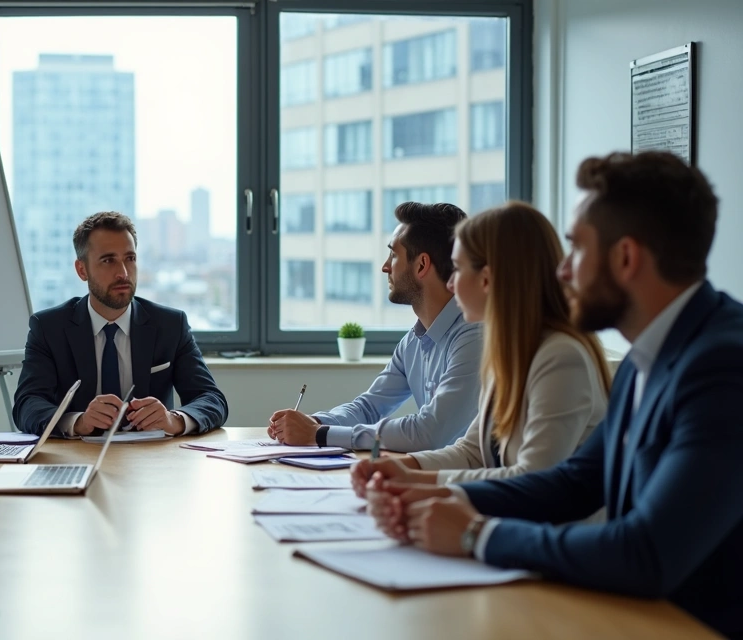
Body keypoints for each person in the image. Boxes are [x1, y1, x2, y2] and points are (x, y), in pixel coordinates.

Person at [367, 151, 743, 638]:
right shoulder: (645, 358)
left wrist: (475, 533)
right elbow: (572, 482)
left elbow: (648, 553)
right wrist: (435, 495)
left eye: (577, 250)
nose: (562, 273)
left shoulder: (722, 365)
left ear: (625, 257)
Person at [350, 203, 610, 493]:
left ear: (487, 280)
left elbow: (533, 479)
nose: (449, 282)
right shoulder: (509, 351)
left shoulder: (561, 357)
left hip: (551, 531)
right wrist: (403, 469)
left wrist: (420, 484)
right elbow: (472, 453)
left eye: (457, 269)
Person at [267, 202, 482, 452]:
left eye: (394, 254)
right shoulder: (414, 341)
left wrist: (320, 434)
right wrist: (314, 423)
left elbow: (428, 433)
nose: (385, 266)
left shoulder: (474, 337)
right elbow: (369, 407)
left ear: (422, 265)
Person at [13, 211, 227, 437]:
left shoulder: (170, 325)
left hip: (153, 460)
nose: (123, 273)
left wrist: (174, 420)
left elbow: (212, 399)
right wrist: (78, 422)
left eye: (130, 258)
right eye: (108, 260)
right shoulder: (48, 328)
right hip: (78, 457)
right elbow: (27, 405)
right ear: (82, 270)